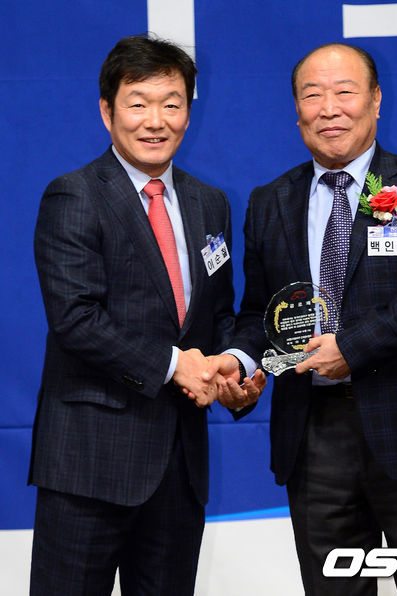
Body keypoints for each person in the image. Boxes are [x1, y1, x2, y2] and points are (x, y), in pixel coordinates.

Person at [212, 43, 397, 594]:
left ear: (376, 100)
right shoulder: (269, 201)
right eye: (312, 95)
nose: (329, 108)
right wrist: (241, 364)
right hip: (313, 435)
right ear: (296, 110)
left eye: (345, 92)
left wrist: (352, 347)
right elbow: (261, 313)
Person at [29, 34, 264, 596]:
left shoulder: (210, 202)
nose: (156, 120)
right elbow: (76, 319)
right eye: (138, 103)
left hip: (179, 468)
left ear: (188, 111)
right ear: (106, 110)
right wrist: (177, 365)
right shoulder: (74, 196)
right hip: (89, 464)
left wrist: (234, 366)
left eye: (171, 103)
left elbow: (218, 314)